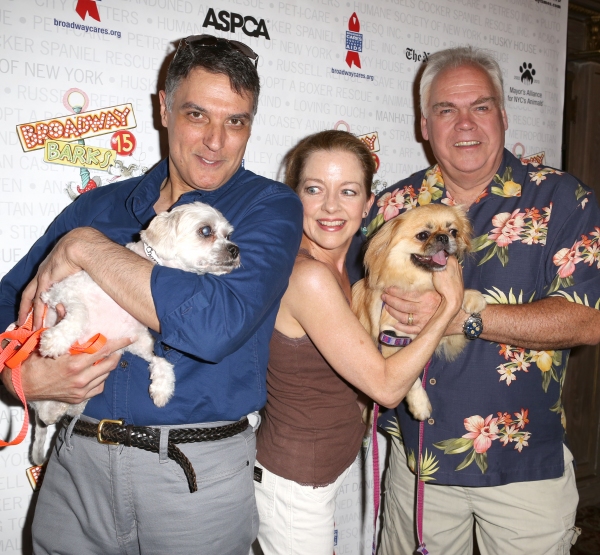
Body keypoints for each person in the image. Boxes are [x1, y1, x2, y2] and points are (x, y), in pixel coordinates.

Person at [0, 35, 304, 555]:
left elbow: (214, 325)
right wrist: (17, 375)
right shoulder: (99, 207)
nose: (215, 140)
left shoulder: (268, 209)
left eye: (236, 121)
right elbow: (10, 300)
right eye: (196, 114)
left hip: (194, 480)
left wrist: (88, 249)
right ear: (163, 109)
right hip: (76, 464)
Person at [349, 46, 600, 555]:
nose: (465, 124)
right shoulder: (392, 206)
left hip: (523, 469)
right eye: (446, 110)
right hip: (418, 465)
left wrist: (460, 318)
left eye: (481, 107)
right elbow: (354, 303)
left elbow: (585, 321)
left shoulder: (563, 200)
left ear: (504, 116)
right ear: (424, 125)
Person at [252, 130, 464, 555]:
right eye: (314, 189)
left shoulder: (347, 268)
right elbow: (385, 388)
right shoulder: (308, 276)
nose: (331, 206)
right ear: (295, 197)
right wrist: (449, 308)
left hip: (316, 474)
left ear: (368, 203)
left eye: (347, 191)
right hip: (296, 484)